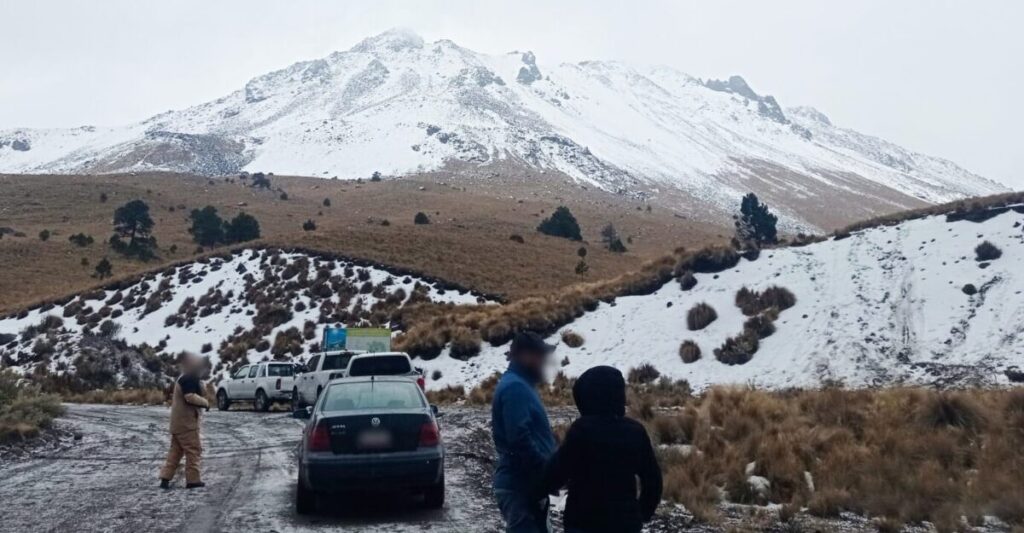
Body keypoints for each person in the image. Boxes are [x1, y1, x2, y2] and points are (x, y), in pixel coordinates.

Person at [543, 366, 662, 533]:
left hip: (584, 521)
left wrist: (540, 488)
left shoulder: (582, 430)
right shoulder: (635, 431)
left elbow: (557, 472)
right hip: (625, 523)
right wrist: (641, 513)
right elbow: (653, 480)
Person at [492, 331, 558, 532]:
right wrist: (546, 471)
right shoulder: (515, 388)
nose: (543, 361)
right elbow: (519, 439)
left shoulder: (520, 384)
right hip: (519, 486)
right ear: (525, 356)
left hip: (524, 485)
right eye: (540, 355)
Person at [159, 352, 210, 489]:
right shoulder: (190, 378)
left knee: (175, 453)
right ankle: (193, 480)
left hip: (177, 424)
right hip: (186, 424)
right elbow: (190, 396)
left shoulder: (185, 377)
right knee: (194, 450)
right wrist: (205, 403)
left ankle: (165, 477)